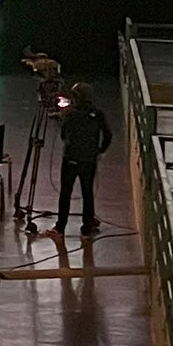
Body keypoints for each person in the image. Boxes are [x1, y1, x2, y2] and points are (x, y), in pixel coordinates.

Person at [55, 81, 112, 236]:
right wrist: (100, 151)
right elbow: (108, 135)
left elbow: (63, 134)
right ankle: (87, 227)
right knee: (87, 192)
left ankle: (60, 227)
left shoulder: (69, 113)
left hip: (71, 159)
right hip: (90, 160)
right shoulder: (98, 114)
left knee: (65, 193)